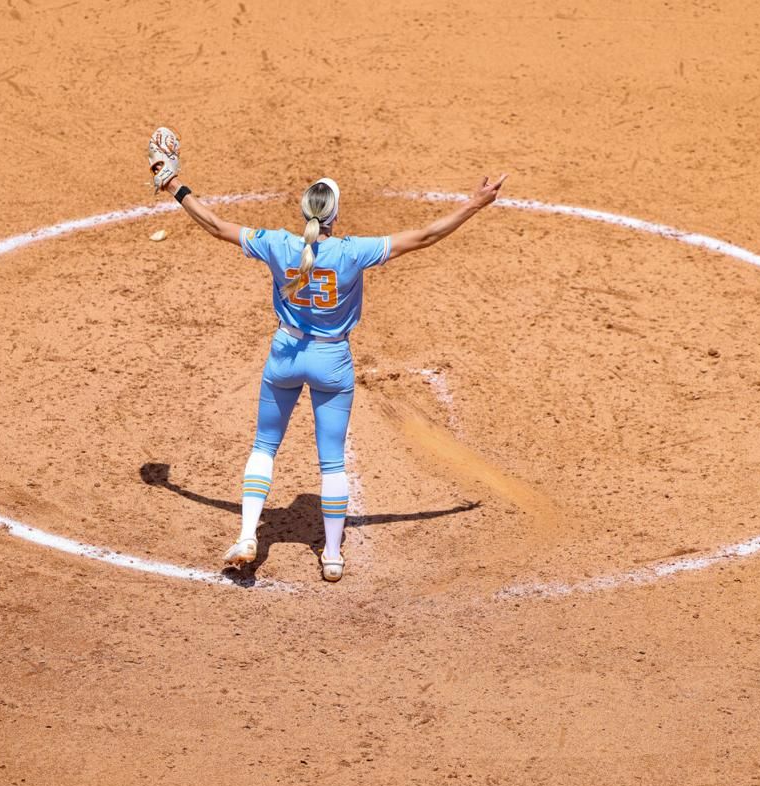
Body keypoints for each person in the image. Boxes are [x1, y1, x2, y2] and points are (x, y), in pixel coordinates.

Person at [146, 127, 506, 582]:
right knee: (332, 460)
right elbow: (426, 236)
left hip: (285, 354)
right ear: (335, 215)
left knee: (264, 447)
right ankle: (332, 556)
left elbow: (216, 226)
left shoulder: (278, 244)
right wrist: (474, 204)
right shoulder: (353, 252)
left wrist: (174, 185)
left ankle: (245, 536)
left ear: (304, 212)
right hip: (332, 362)